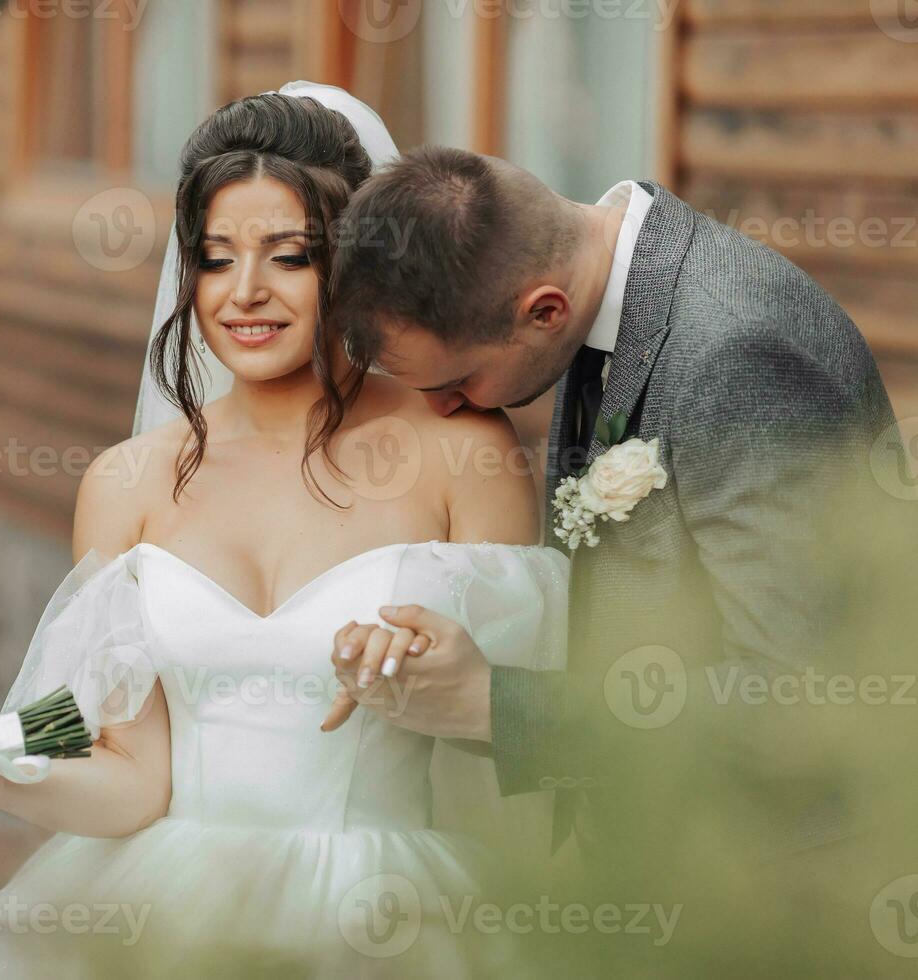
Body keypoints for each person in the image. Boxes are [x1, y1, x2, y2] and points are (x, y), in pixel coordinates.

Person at [0, 85, 569, 978]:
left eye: (287, 257)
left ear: (351, 265)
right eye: (215, 257)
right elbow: (136, 777)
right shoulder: (128, 484)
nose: (246, 294)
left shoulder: (459, 449)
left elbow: (527, 727)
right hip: (157, 900)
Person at [323, 146, 906, 974]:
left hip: (766, 903)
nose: (445, 409)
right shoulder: (607, 301)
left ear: (544, 311)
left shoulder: (736, 351)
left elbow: (804, 699)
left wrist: (498, 706)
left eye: (454, 381)